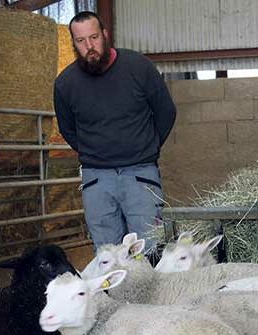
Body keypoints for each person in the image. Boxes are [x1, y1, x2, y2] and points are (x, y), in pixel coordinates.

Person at [54, 11, 176, 254]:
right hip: (97, 178)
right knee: (107, 253)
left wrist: (147, 147)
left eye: (94, 37)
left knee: (149, 248)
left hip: (140, 174)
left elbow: (166, 112)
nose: (89, 46)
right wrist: (95, 153)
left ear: (105, 35)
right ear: (73, 43)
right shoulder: (66, 83)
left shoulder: (138, 67)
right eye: (81, 41)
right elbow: (68, 128)